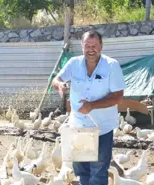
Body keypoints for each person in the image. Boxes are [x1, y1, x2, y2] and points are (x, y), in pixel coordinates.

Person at [51, 30, 126, 185]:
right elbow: (56, 79)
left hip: (102, 128)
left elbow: (118, 97)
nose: (91, 49)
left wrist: (92, 106)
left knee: (98, 171)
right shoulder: (74, 63)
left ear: (101, 46)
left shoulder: (112, 65)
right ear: (82, 46)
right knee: (82, 170)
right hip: (78, 126)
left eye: (94, 45)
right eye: (87, 46)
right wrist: (59, 85)